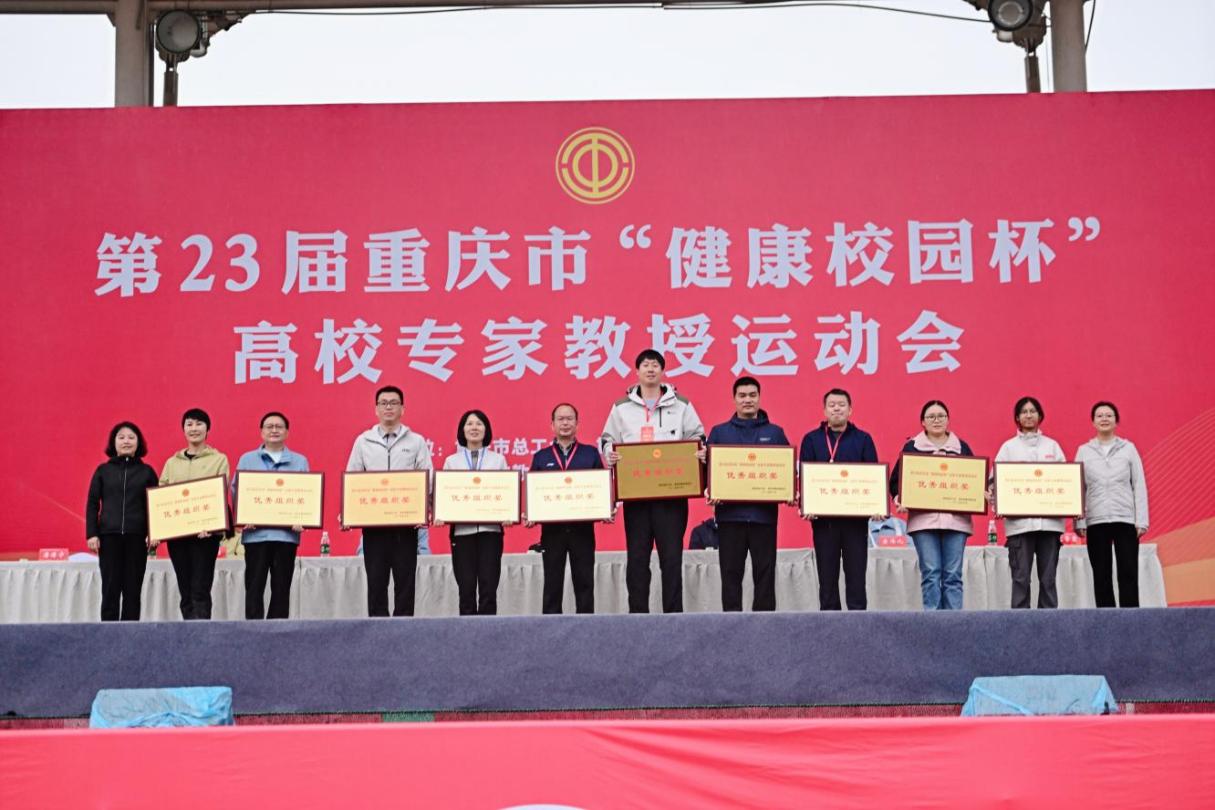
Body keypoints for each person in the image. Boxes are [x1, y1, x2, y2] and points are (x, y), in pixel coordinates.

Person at [600, 349, 705, 614]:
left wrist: (699, 452)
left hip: (671, 497)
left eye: (655, 365)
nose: (650, 369)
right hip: (636, 496)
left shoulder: (681, 404)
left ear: (662, 370)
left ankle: (674, 616)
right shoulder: (621, 407)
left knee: (672, 559)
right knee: (637, 559)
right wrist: (609, 453)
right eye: (645, 365)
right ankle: (637, 616)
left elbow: (697, 435)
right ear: (636, 371)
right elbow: (607, 439)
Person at [704, 376, 791, 612]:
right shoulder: (719, 433)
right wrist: (711, 490)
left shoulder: (775, 433)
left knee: (765, 574)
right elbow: (708, 471)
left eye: (752, 395)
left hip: (764, 517)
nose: (747, 400)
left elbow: (787, 471)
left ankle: (765, 625)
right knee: (730, 574)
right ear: (734, 399)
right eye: (742, 396)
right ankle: (731, 624)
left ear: (759, 398)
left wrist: (789, 491)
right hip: (730, 517)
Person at [346, 385, 433, 617]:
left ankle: (403, 632)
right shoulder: (363, 441)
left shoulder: (416, 441)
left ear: (403, 409)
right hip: (374, 527)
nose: (388, 407)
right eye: (383, 403)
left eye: (394, 403)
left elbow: (427, 478)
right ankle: (377, 632)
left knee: (405, 584)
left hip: (406, 526)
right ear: (376, 409)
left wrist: (424, 510)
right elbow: (353, 479)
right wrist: (349, 512)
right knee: (376, 584)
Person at [889, 400, 977, 611]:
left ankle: (954, 623)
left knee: (953, 576)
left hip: (956, 522)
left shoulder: (961, 447)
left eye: (941, 416)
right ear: (923, 422)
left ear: (948, 420)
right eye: (931, 417)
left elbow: (975, 480)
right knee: (931, 574)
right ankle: (933, 623)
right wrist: (901, 498)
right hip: (923, 522)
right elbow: (896, 481)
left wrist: (979, 494)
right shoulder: (912, 448)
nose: (936, 420)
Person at [799, 388, 879, 611]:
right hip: (824, 522)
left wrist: (876, 505)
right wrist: (807, 504)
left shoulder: (863, 439)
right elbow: (804, 476)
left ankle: (858, 624)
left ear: (850, 410)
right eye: (832, 405)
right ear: (824, 410)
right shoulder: (811, 439)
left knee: (856, 579)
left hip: (856, 522)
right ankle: (829, 626)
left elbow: (872, 477)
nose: (837, 409)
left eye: (841, 405)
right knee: (827, 580)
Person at [528, 403, 604, 614]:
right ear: (552, 425)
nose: (565, 423)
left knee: (585, 583)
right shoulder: (541, 457)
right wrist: (531, 512)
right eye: (560, 419)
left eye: (569, 419)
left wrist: (605, 509)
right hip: (552, 531)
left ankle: (586, 627)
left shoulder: (590, 454)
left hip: (582, 530)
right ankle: (550, 630)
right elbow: (533, 493)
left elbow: (601, 488)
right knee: (552, 585)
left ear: (577, 424)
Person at [234, 411, 309, 620]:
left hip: (286, 536)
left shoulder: (299, 461)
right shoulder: (247, 459)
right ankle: (253, 631)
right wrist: (242, 517)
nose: (274, 430)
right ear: (261, 432)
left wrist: (302, 518)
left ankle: (278, 632)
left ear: (287, 432)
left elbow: (307, 494)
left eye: (279, 426)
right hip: (255, 536)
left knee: (281, 589)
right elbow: (236, 490)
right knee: (254, 588)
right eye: (269, 426)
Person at [994, 396, 1066, 609]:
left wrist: (1073, 503)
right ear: (1017, 417)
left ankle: (1049, 623)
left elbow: (1066, 480)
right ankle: (1019, 624)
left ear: (1040, 415)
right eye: (1024, 412)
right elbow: (995, 480)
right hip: (1020, 526)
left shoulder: (1052, 446)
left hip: (1050, 525)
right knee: (1020, 579)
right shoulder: (1008, 448)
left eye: (1032, 411)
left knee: (1048, 580)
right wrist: (998, 503)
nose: (1028, 415)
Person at [1075, 401, 1149, 608]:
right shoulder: (1084, 451)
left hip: (1124, 519)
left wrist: (1141, 520)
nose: (1104, 419)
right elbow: (1079, 488)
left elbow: (1139, 485)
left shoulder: (1128, 449)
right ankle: (1106, 620)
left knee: (1128, 573)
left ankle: (1130, 619)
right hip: (1096, 520)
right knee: (1101, 575)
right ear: (1093, 422)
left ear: (1116, 421)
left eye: (1109, 415)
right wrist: (1079, 522)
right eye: (1099, 416)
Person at [160, 407, 231, 620]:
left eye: (199, 424)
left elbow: (220, 493)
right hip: (178, 535)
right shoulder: (172, 463)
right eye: (189, 424)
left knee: (200, 589)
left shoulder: (219, 459)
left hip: (206, 535)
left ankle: (202, 633)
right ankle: (188, 633)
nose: (194, 428)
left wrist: (211, 524)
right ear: (183, 429)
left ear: (208, 429)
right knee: (185, 589)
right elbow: (162, 494)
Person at [86, 421, 159, 621]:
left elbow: (156, 505)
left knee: (132, 591)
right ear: (114, 442)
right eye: (121, 437)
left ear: (138, 443)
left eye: (131, 437)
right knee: (110, 590)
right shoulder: (103, 471)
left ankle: (131, 634)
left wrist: (154, 533)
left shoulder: (147, 472)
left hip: (137, 538)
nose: (126, 441)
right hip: (109, 538)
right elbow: (92, 503)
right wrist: (92, 533)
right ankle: (109, 634)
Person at [441, 410, 511, 615]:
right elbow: (444, 494)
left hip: (491, 532)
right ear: (462, 430)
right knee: (466, 589)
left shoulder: (498, 460)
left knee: (489, 589)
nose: (474, 428)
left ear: (486, 430)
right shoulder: (451, 461)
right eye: (469, 424)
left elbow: (507, 493)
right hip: (462, 533)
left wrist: (508, 513)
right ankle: (467, 632)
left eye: (479, 424)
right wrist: (441, 513)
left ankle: (488, 633)